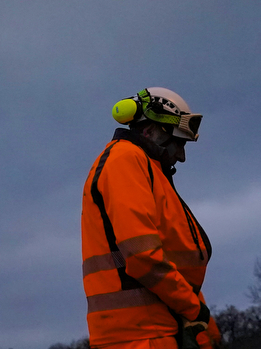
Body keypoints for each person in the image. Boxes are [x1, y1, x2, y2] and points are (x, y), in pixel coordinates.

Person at [80, 87, 221, 349]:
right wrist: (194, 311)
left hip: (155, 330)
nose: (181, 156)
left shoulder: (144, 167)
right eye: (178, 143)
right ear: (149, 132)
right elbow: (143, 257)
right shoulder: (125, 161)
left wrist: (201, 318)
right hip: (140, 336)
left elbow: (170, 257)